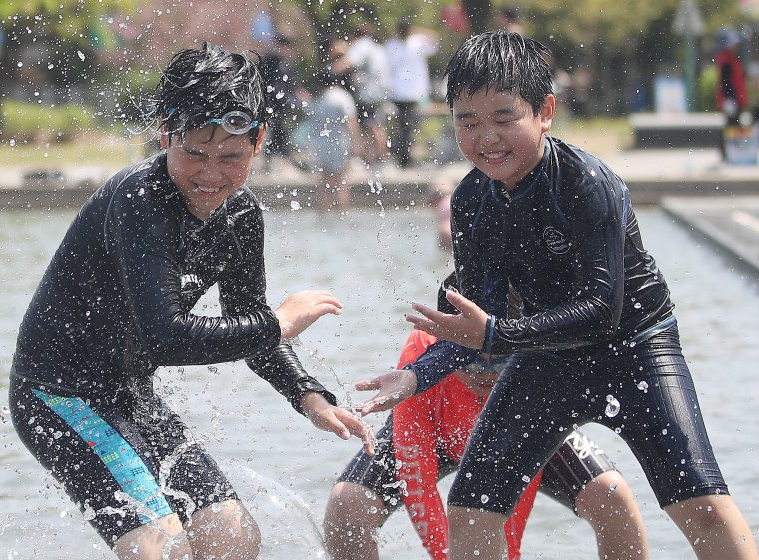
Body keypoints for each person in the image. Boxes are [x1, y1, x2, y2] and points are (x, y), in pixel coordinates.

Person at [356, 31, 759, 560]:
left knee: (699, 505)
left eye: (503, 119)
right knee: (471, 508)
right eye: (467, 121)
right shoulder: (473, 199)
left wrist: (497, 336)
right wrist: (417, 375)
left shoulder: (588, 183)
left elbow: (600, 309)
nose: (487, 138)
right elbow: (477, 320)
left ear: (544, 111)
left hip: (636, 349)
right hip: (545, 358)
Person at [8, 44, 374, 560]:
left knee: (233, 535)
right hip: (57, 395)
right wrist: (279, 323)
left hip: (129, 396)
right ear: (165, 134)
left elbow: (246, 323)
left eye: (231, 157)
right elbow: (169, 336)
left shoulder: (241, 215)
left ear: (259, 142)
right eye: (194, 154)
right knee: (160, 548)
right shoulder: (140, 200)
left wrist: (309, 396)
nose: (210, 174)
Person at [325, 286, 649, 560]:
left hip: (515, 432)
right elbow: (417, 482)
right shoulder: (417, 361)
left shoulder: (535, 357)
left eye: (501, 359)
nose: (487, 374)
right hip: (437, 437)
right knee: (347, 505)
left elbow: (516, 494)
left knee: (612, 497)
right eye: (472, 361)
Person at [331, 18, 391, 173]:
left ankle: (378, 160)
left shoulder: (361, 45)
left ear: (354, 35)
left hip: (368, 93)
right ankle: (378, 160)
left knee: (370, 126)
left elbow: (348, 62)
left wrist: (330, 71)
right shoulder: (377, 47)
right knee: (376, 125)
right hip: (380, 92)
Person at [310, 41, 361, 212]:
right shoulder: (343, 98)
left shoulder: (319, 99)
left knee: (323, 181)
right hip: (339, 145)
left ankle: (322, 212)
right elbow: (351, 122)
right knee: (341, 181)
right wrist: (357, 144)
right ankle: (341, 213)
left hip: (322, 145)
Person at [385, 19, 438, 168]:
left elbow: (434, 39)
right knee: (403, 125)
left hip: (414, 92)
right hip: (398, 92)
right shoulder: (391, 45)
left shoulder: (416, 42)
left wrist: (417, 29)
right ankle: (403, 156)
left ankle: (404, 155)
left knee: (409, 125)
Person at [260, 34, 308, 168]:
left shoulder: (284, 62)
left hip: (282, 104)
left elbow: (290, 81)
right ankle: (275, 161)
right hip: (272, 103)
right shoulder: (272, 60)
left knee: (280, 132)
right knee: (276, 132)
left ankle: (279, 160)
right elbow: (273, 82)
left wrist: (299, 91)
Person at [714, 29, 748, 160]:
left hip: (736, 99)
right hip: (731, 100)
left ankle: (732, 152)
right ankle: (727, 153)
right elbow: (726, 82)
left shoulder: (732, 59)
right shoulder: (726, 61)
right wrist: (729, 100)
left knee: (734, 125)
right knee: (730, 126)